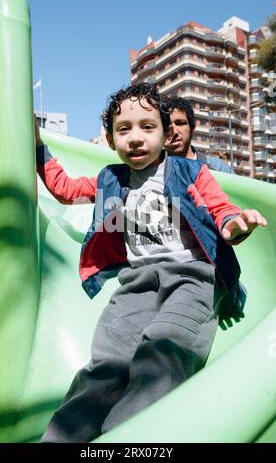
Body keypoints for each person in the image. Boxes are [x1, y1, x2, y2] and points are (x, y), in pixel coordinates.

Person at [36, 83, 267, 443]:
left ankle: (127, 437)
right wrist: (37, 147)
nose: (135, 138)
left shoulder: (190, 172)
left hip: (193, 279)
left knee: (164, 348)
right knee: (106, 365)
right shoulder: (110, 179)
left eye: (147, 127)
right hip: (137, 283)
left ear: (165, 133)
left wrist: (236, 226)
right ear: (111, 140)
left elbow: (222, 211)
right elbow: (65, 189)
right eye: (123, 129)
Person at [166, 96, 233, 173]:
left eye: (180, 123)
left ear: (192, 128)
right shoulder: (154, 173)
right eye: (167, 126)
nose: (174, 131)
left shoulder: (218, 168)